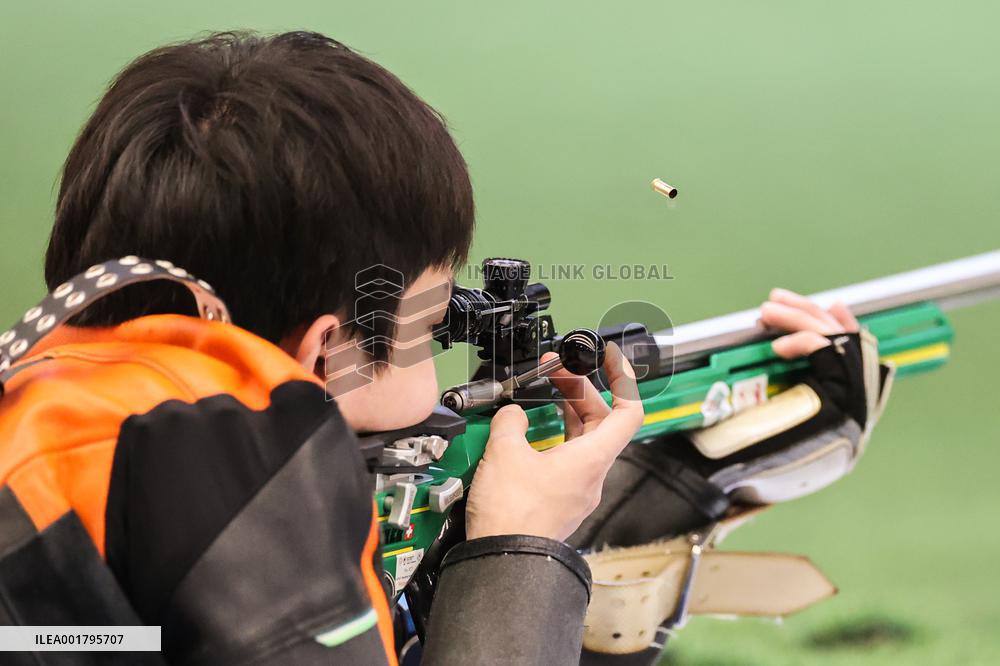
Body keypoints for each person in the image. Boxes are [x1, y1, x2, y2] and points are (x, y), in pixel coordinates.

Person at [0, 31, 888, 666]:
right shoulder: (251, 500)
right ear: (324, 356)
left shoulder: (76, 428)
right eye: (433, 329)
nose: (442, 373)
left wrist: (695, 472)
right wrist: (513, 551)